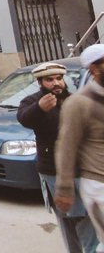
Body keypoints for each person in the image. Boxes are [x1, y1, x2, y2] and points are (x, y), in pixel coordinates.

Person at [18, 61, 98, 253]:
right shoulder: (32, 102)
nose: (56, 83)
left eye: (59, 78)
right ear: (40, 82)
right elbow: (24, 118)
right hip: (53, 171)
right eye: (50, 80)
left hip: (82, 169)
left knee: (87, 216)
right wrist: (39, 108)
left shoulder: (73, 99)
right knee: (69, 217)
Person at [57, 44, 104, 250]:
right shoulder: (79, 103)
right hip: (99, 186)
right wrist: (65, 188)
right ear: (94, 69)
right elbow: (67, 146)